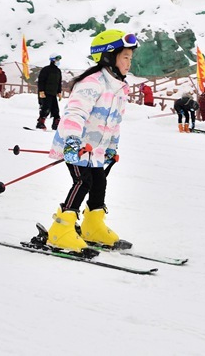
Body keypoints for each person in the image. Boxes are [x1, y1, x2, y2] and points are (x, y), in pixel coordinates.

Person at [45, 29, 138, 252]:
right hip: (75, 147)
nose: (129, 63)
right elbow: (74, 114)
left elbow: (114, 121)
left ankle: (92, 226)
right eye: (125, 57)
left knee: (99, 183)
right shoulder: (91, 82)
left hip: (95, 150)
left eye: (130, 58)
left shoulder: (118, 87)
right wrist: (73, 141)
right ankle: (60, 230)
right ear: (108, 56)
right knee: (82, 182)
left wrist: (111, 147)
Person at [37, 54, 63, 130]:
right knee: (46, 108)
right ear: (52, 60)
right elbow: (41, 81)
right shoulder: (46, 69)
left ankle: (56, 124)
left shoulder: (58, 71)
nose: (58, 62)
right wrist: (41, 91)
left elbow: (59, 82)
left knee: (56, 110)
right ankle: (40, 123)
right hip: (46, 93)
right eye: (57, 60)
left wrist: (59, 92)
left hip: (53, 93)